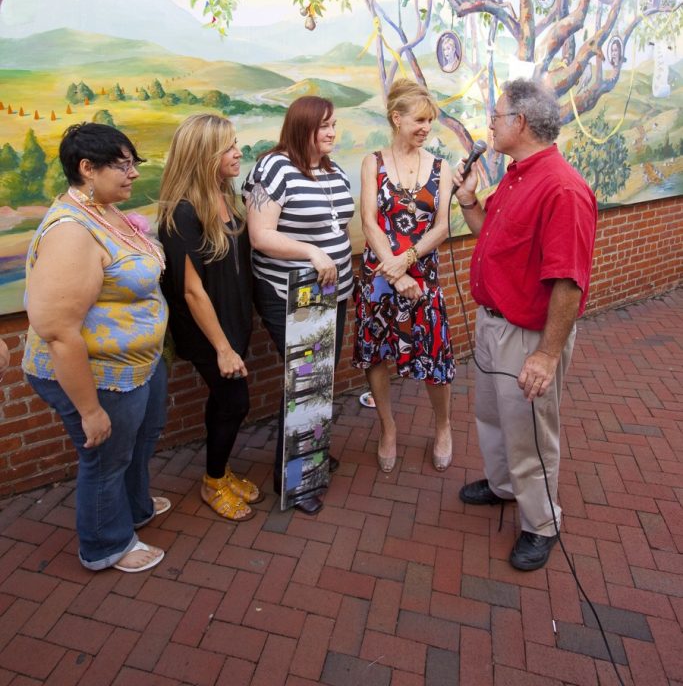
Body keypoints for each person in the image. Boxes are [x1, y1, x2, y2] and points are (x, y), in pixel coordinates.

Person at [453, 79, 597, 571]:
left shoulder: (563, 189)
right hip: (493, 324)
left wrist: (546, 354)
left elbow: (568, 283)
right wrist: (470, 202)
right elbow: (489, 237)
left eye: (495, 115)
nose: (489, 124)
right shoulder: (516, 175)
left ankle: (541, 523)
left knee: (531, 432)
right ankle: (503, 487)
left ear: (520, 122)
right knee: (493, 416)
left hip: (528, 336)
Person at [23, 123, 169, 573]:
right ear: (87, 168)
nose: (132, 175)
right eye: (122, 166)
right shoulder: (71, 231)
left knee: (138, 441)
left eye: (133, 164)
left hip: (136, 364)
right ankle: (107, 545)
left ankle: (135, 506)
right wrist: (90, 410)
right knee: (105, 457)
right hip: (100, 374)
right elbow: (58, 331)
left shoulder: (105, 210)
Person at [243, 96, 354, 515]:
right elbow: (260, 235)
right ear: (301, 126)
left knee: (321, 377)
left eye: (334, 124)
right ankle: (296, 480)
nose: (331, 133)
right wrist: (312, 252)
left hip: (333, 291)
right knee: (307, 380)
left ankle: (310, 458)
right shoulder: (274, 168)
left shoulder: (333, 170)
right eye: (323, 126)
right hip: (292, 291)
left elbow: (338, 225)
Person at [158, 115, 260, 522]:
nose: (238, 153)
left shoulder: (225, 194)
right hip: (207, 332)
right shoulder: (181, 213)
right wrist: (222, 348)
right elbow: (191, 290)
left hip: (232, 322)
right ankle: (213, 480)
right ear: (204, 155)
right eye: (229, 147)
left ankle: (220, 470)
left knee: (224, 401)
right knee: (236, 402)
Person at [354, 80, 455, 473]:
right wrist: (395, 274)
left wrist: (408, 258)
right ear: (396, 119)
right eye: (419, 119)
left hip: (423, 276)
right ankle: (388, 427)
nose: (426, 127)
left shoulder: (440, 167)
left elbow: (442, 226)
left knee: (435, 355)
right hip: (380, 279)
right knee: (376, 355)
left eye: (430, 120)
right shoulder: (372, 163)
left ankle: (443, 426)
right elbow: (369, 221)